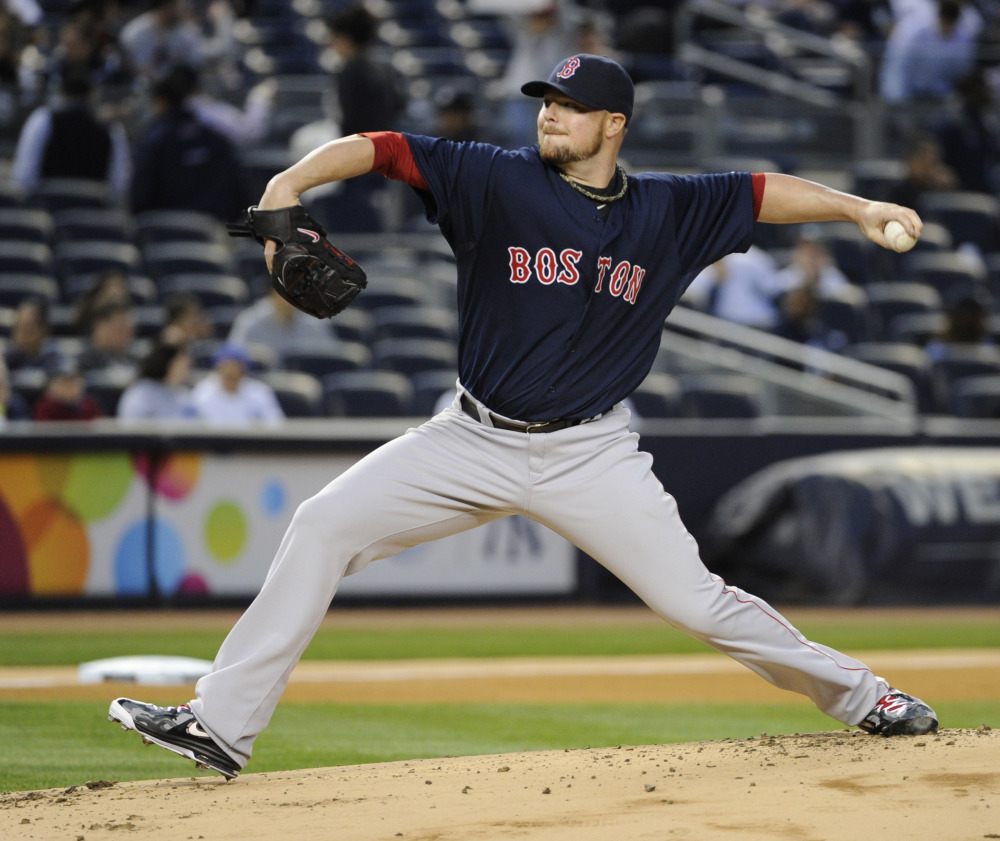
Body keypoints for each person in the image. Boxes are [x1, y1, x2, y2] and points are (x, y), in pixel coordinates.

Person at [109, 53, 938, 780]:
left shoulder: (669, 211)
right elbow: (384, 148)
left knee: (698, 603)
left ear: (613, 125)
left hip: (592, 454)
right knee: (323, 524)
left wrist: (858, 208)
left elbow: (763, 193)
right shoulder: (495, 178)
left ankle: (870, 698)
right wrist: (289, 184)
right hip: (470, 435)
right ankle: (220, 724)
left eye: (569, 105)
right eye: (546, 100)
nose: (550, 112)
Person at [9, 60, 131, 201]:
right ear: (93, 94)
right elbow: (120, 185)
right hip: (92, 215)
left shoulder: (42, 120)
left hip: (47, 213)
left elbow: (23, 176)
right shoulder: (111, 131)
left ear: (61, 92)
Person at [227, 286, 340, 365]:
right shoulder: (250, 320)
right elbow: (231, 358)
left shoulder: (315, 322)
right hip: (261, 389)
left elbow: (329, 361)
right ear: (272, 293)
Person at [189, 343, 284, 425]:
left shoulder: (259, 393)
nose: (231, 372)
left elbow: (276, 426)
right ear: (218, 369)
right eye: (226, 367)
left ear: (244, 371)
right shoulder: (202, 393)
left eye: (236, 367)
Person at [117, 339, 195, 421]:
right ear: (168, 365)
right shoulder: (140, 394)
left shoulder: (182, 393)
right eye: (184, 367)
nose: (187, 372)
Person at [33, 357, 102, 421]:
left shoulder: (88, 405)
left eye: (74, 383)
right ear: (52, 387)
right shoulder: (45, 407)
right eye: (65, 384)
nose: (70, 389)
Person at [4, 297, 61, 375]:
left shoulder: (53, 362)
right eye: (18, 327)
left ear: (43, 330)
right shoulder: (5, 361)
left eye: (27, 329)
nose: (21, 334)